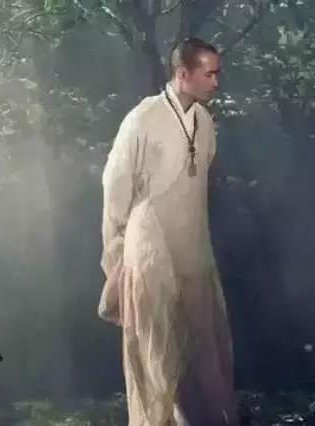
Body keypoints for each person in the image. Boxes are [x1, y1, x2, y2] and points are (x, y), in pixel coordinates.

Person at [98, 37, 237, 425]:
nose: (216, 82)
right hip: (150, 250)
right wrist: (116, 256)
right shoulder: (142, 119)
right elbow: (115, 189)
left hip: (193, 248)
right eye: (209, 74)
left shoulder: (204, 121)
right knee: (155, 354)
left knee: (204, 350)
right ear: (182, 74)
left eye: (217, 74)